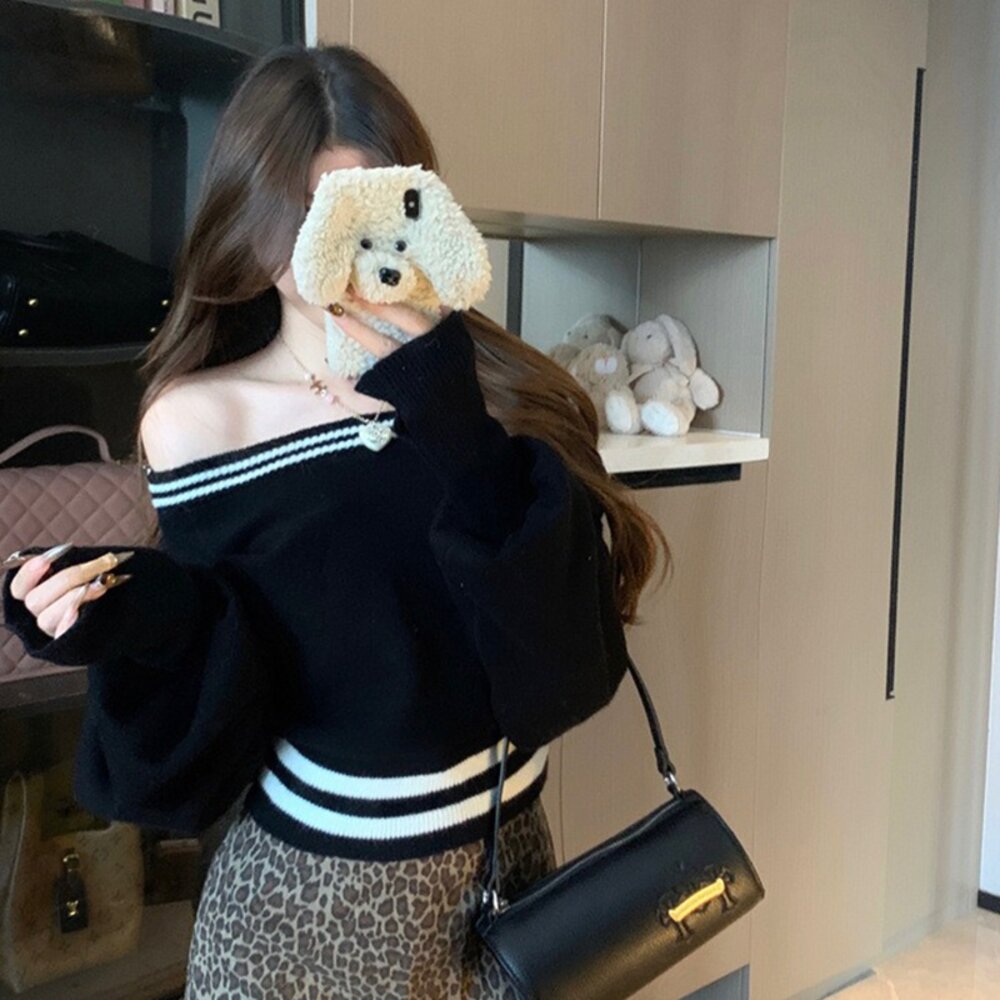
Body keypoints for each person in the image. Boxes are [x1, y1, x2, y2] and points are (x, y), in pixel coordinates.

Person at [1, 43, 671, 999]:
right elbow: (235, 692)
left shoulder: (493, 388)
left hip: (509, 876)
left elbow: (563, 678)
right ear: (251, 224)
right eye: (305, 217)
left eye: (367, 208)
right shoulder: (201, 420)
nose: (340, 251)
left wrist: (450, 419)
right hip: (312, 906)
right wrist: (141, 615)